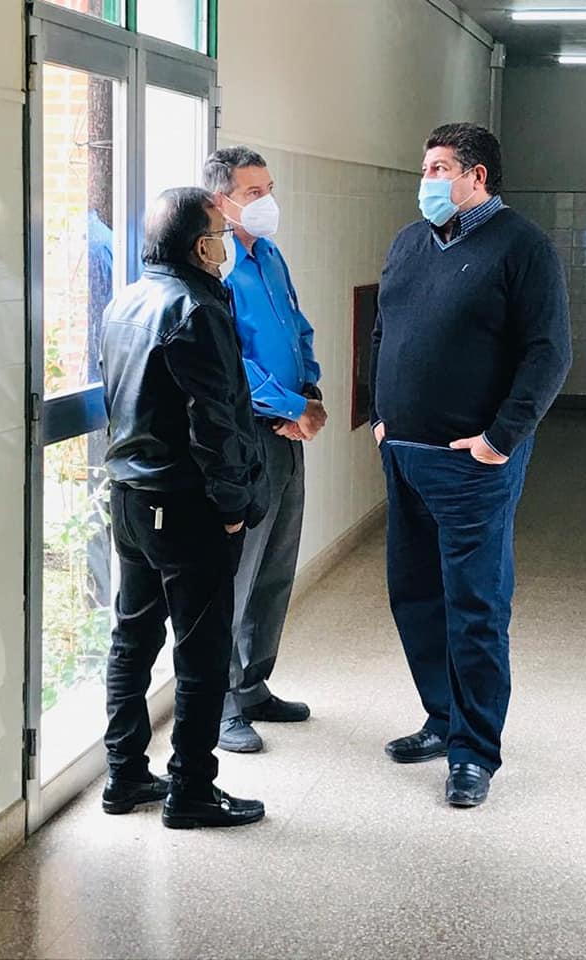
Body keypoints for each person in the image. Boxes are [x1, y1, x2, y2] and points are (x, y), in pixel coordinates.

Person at [370, 123, 572, 807]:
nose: (425, 181)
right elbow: (384, 329)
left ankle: (474, 752)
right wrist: (381, 417)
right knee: (415, 595)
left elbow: (549, 353)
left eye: (437, 169)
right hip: (405, 456)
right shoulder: (410, 242)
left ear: (476, 175)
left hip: (472, 465)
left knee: (475, 606)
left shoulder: (522, 247)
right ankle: (442, 717)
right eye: (425, 168)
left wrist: (499, 439)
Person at [99, 187, 269, 828]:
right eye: (220, 235)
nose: (225, 246)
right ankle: (191, 790)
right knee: (201, 652)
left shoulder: (124, 301)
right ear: (201, 246)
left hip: (130, 500)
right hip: (186, 504)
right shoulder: (196, 309)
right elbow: (215, 423)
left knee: (132, 639)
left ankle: (124, 777)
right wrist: (233, 505)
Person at [202, 146, 327, 753]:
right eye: (253, 193)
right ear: (221, 201)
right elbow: (231, 364)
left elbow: (298, 330)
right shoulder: (219, 269)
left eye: (269, 189)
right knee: (240, 570)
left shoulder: (270, 256)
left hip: (289, 430)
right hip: (249, 434)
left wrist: (311, 393)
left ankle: (253, 686)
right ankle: (221, 703)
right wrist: (290, 406)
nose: (267, 202)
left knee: (277, 562)